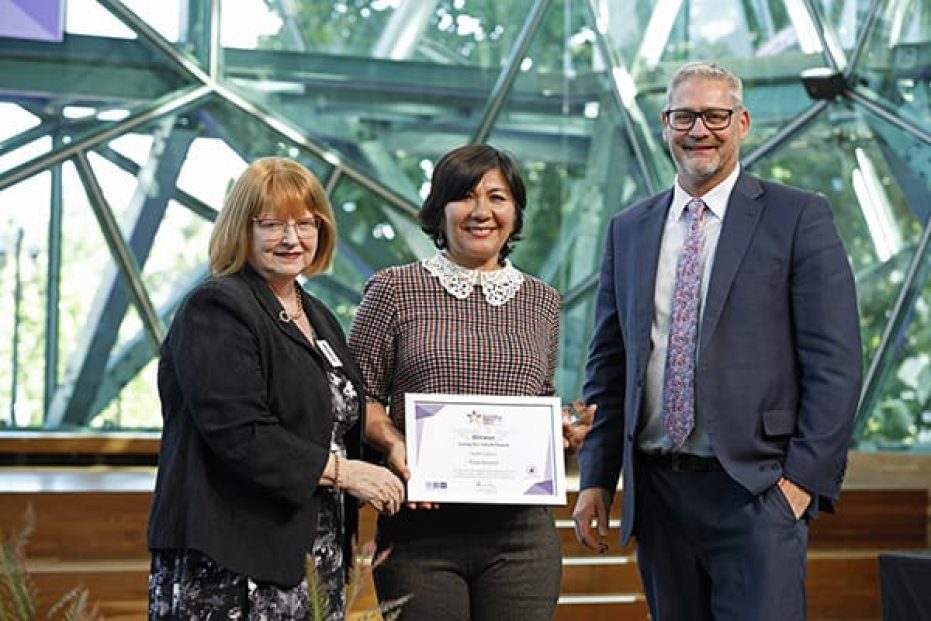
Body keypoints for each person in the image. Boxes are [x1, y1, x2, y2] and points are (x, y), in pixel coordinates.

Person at [572, 61, 862, 620]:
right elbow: (609, 365)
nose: (698, 130)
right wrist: (596, 479)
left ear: (743, 122)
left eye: (715, 115)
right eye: (685, 116)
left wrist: (798, 484)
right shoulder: (629, 228)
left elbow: (836, 363)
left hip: (756, 493)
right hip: (657, 495)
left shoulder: (798, 217)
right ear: (664, 123)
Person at [147, 156, 405, 620]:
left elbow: (334, 417)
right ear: (241, 230)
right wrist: (347, 474)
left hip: (311, 554)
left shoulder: (318, 314)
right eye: (272, 225)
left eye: (305, 223)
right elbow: (241, 433)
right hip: (233, 559)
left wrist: (391, 452)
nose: (291, 238)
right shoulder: (217, 308)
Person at [348, 144, 585, 620]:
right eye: (465, 196)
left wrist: (563, 428)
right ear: (441, 209)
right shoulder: (393, 289)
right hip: (421, 533)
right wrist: (394, 444)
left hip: (521, 537)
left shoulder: (542, 301)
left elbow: (538, 402)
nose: (482, 212)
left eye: (497, 198)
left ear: (515, 213)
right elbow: (358, 399)